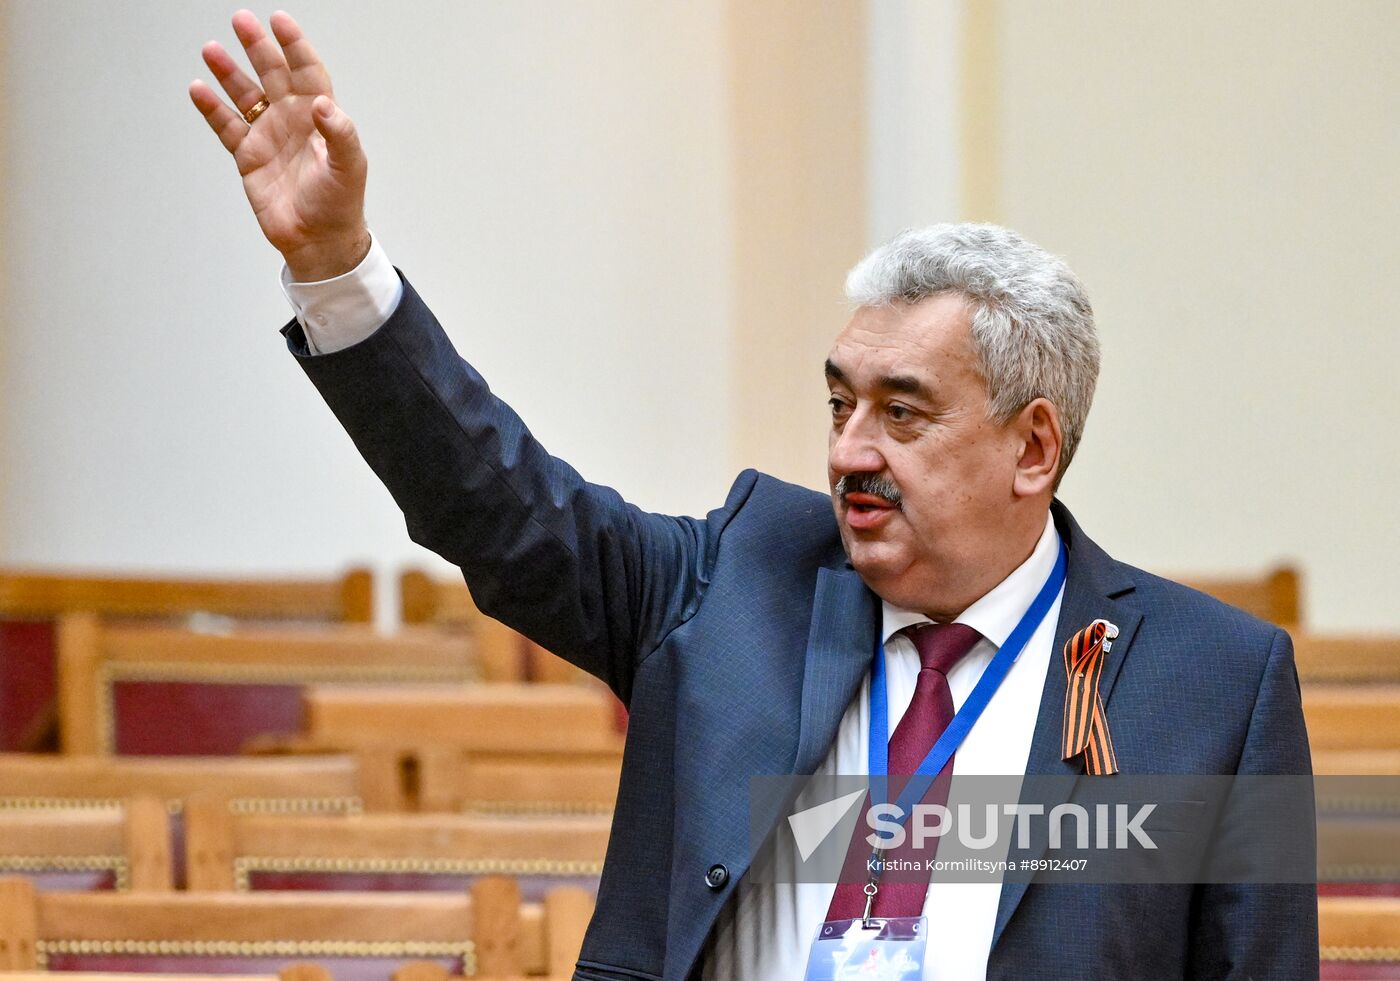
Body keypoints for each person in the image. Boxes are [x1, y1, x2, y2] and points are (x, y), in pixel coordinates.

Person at [190, 11, 1318, 980]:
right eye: (839, 405)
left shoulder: (1205, 687)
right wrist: (337, 265)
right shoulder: (735, 584)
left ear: (1031, 448)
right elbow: (497, 504)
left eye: (903, 411)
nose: (849, 452)